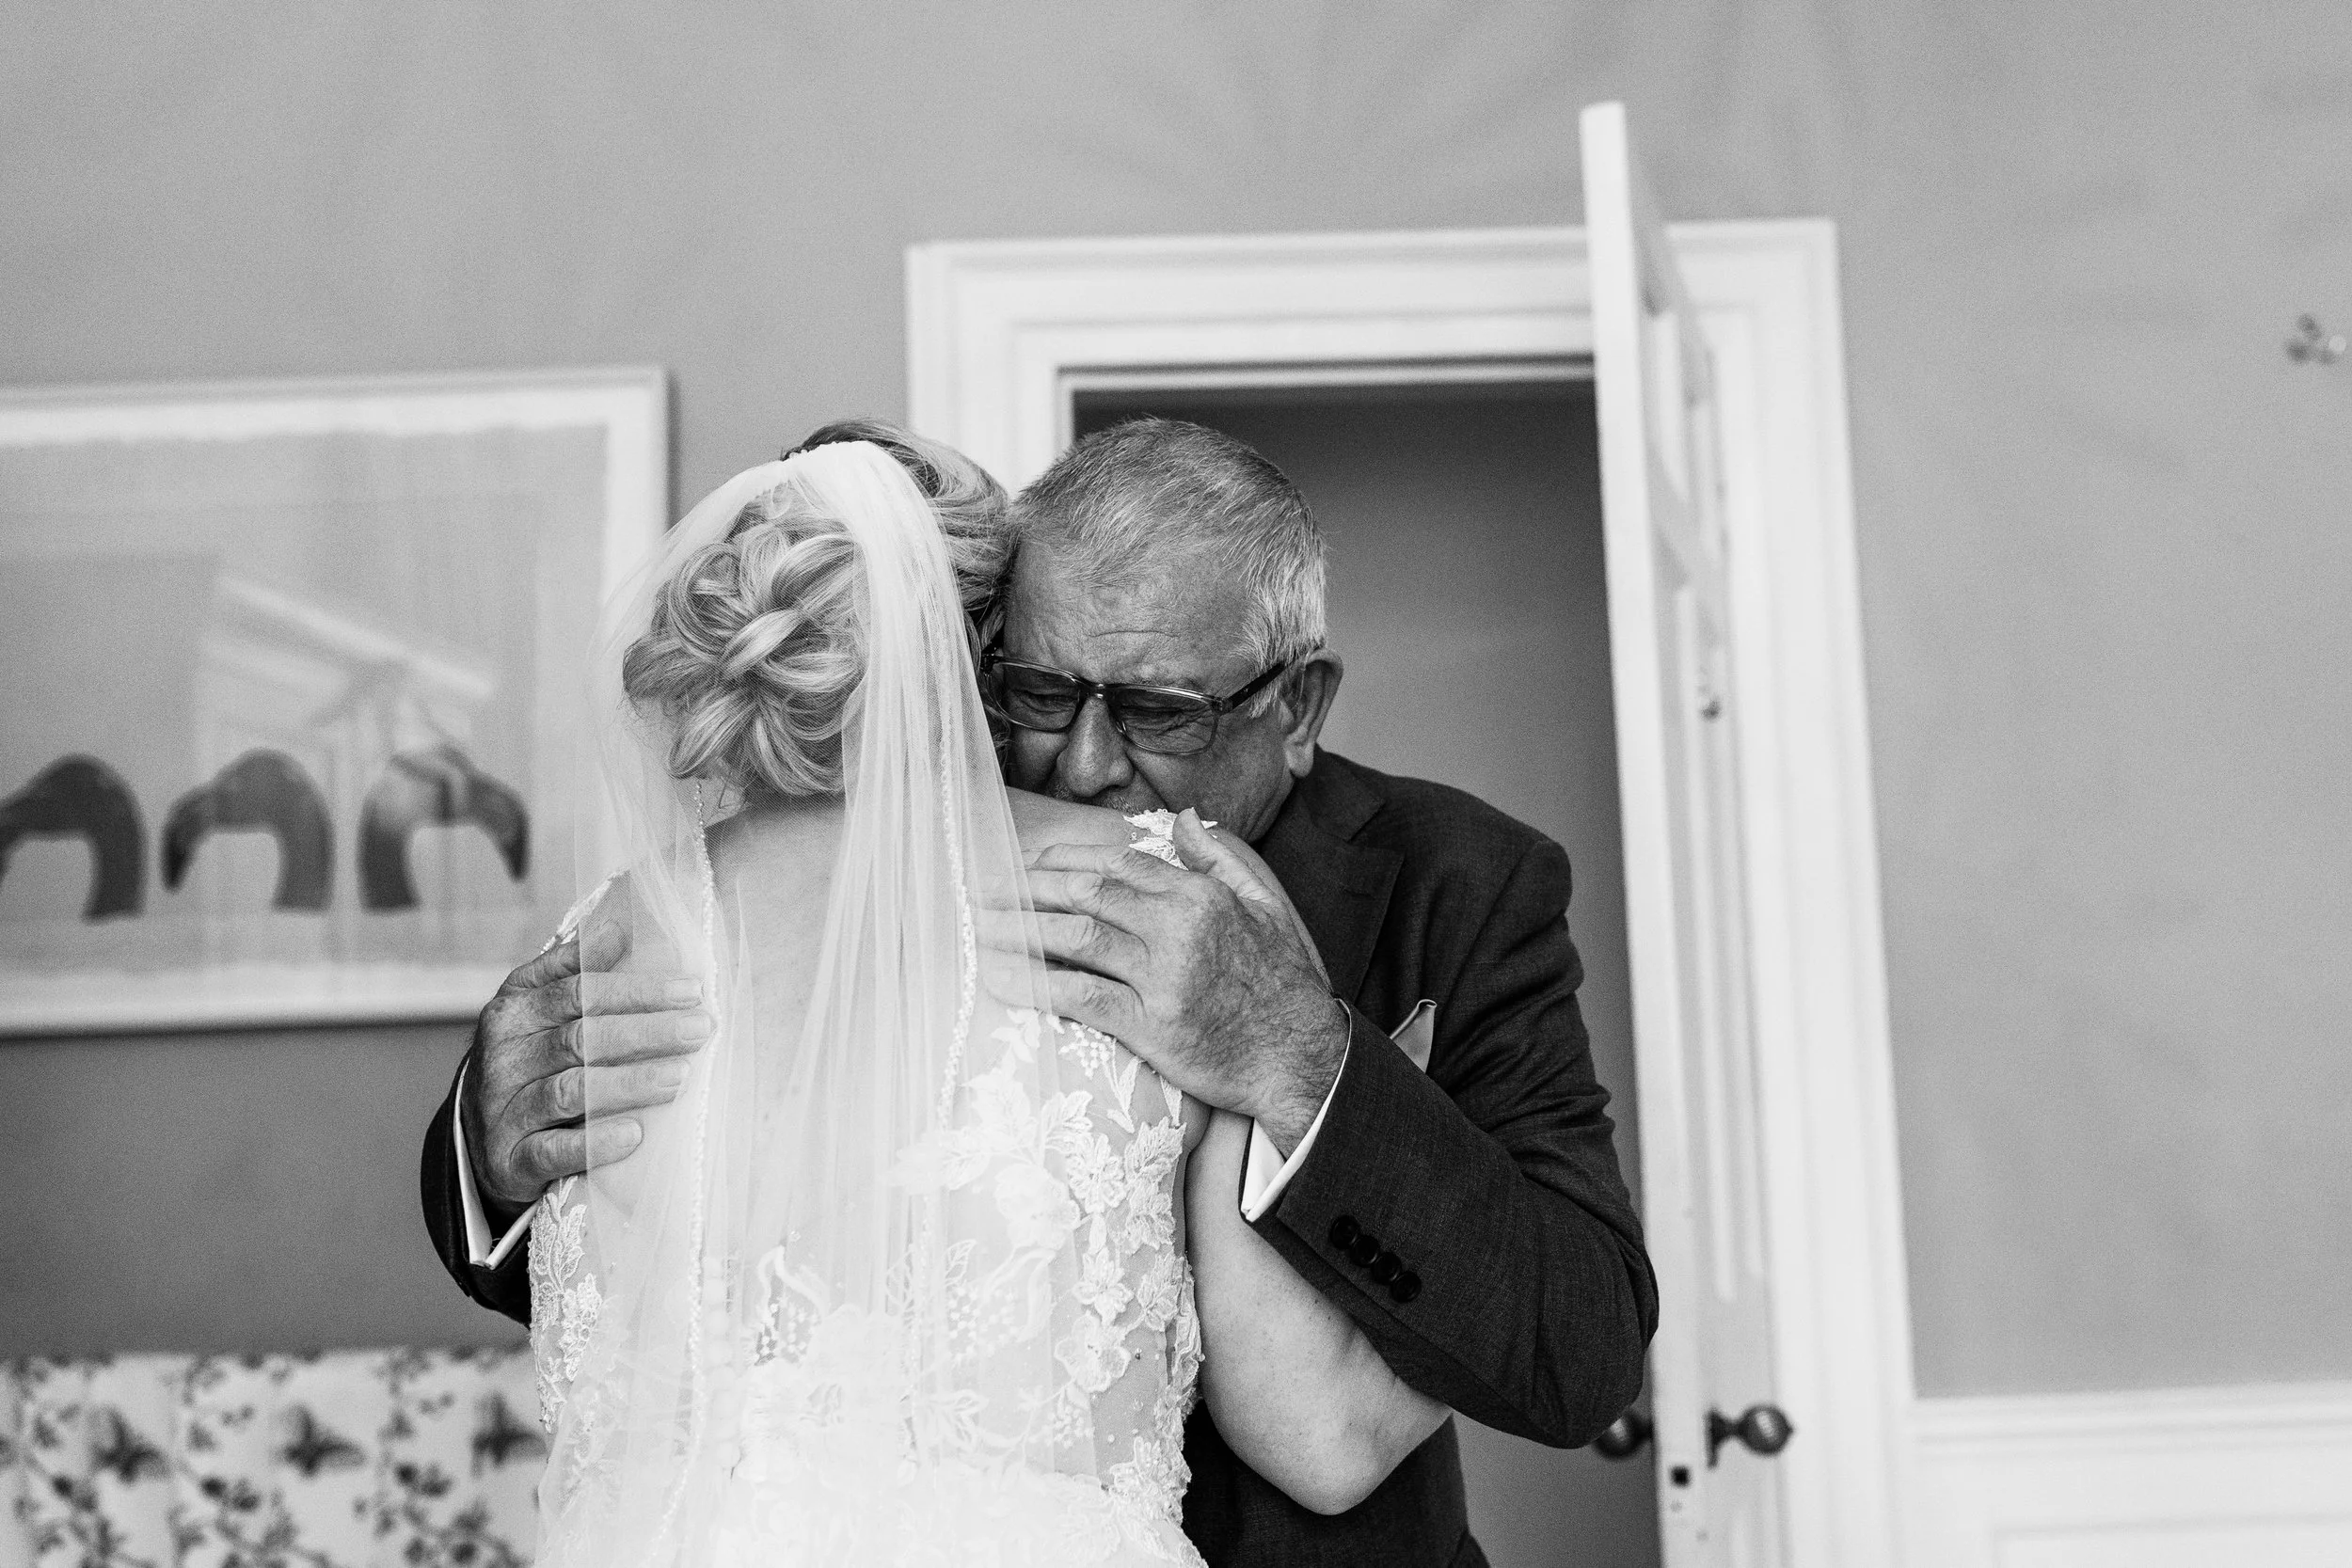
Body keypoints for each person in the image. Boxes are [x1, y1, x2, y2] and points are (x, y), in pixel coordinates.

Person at [422, 418, 1656, 1566]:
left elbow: (1580, 1342)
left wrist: (1303, 1060)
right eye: (1043, 690)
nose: (1082, 758)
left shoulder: (1460, 882)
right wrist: (487, 1142)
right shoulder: (745, 904)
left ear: (1297, 707)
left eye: (1159, 710)